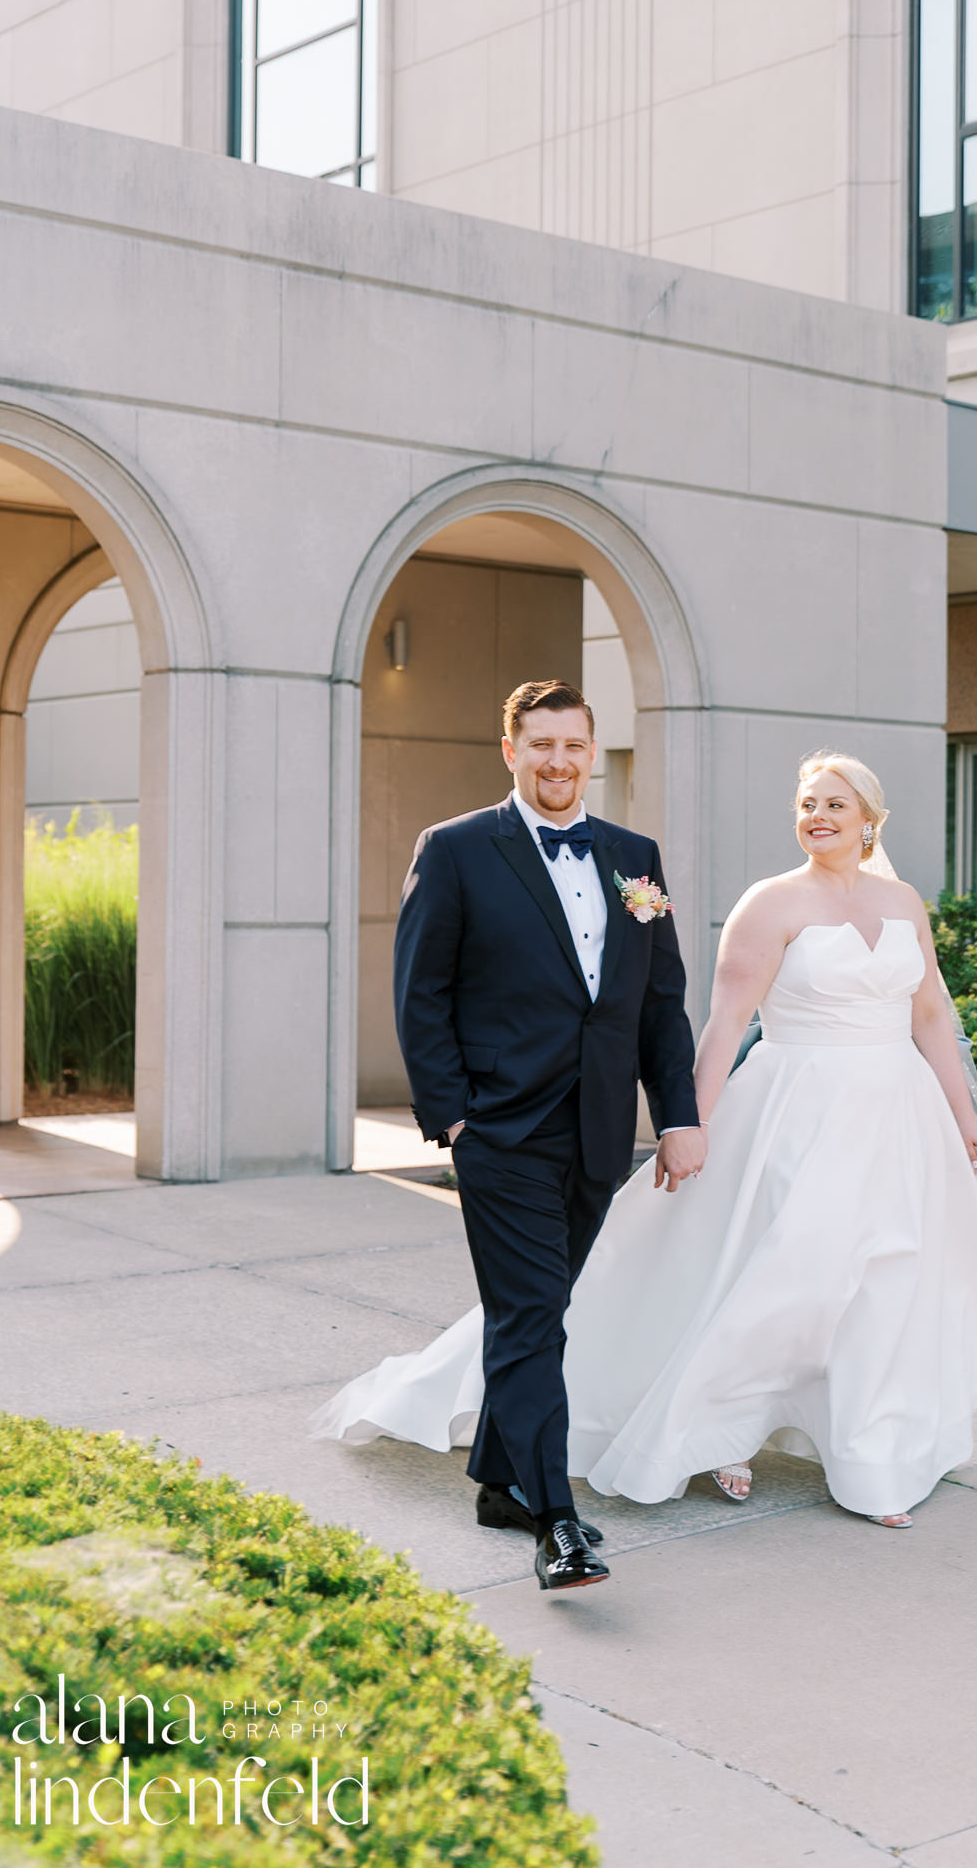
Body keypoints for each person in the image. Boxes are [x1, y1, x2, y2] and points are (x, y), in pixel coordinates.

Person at [318, 749, 977, 1534]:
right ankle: (720, 1423)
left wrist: (962, 1115)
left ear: (867, 820)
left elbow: (928, 1016)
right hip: (796, 1114)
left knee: (890, 1280)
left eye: (834, 805)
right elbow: (722, 1024)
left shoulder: (901, 902)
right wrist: (691, 1123)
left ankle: (874, 1454)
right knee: (793, 1280)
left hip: (897, 1115)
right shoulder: (770, 903)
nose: (816, 816)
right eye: (806, 804)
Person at [314, 679, 704, 1590]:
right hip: (502, 1131)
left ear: (590, 752)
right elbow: (422, 992)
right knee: (532, 1318)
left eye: (573, 746)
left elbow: (659, 1004)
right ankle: (555, 1521)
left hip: (601, 1133)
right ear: (511, 752)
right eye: (541, 746)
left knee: (535, 1315)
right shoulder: (454, 850)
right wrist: (452, 1115)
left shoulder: (632, 857)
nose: (559, 762)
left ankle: (497, 1479)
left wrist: (676, 1116)